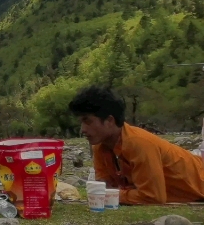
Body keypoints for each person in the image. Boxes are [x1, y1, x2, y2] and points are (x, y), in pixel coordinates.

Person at [68, 86, 204, 205]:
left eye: (88, 121)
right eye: (81, 122)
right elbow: (104, 187)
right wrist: (108, 194)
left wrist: (112, 195)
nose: (83, 130)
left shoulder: (138, 143)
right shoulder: (100, 146)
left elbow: (153, 197)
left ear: (109, 120)